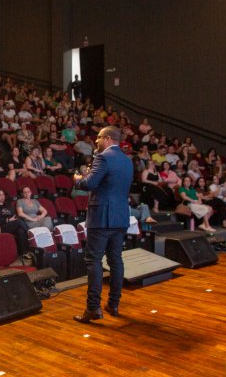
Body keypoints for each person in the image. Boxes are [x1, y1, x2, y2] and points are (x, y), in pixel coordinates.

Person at [72, 126, 133, 323]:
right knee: (116, 260)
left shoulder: (103, 157)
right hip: (121, 216)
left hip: (102, 217)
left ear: (107, 139)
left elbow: (89, 184)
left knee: (94, 261)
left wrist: (78, 179)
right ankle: (113, 304)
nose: (96, 141)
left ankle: (93, 308)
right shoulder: (127, 160)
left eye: (98, 138)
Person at [0, 188, 30, 255]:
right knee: (18, 222)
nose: (2, 196)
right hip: (1, 227)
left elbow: (13, 215)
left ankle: (24, 253)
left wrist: (14, 218)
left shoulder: (8, 205)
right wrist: (7, 220)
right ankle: (31, 234)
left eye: (3, 194)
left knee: (20, 231)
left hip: (11, 225)